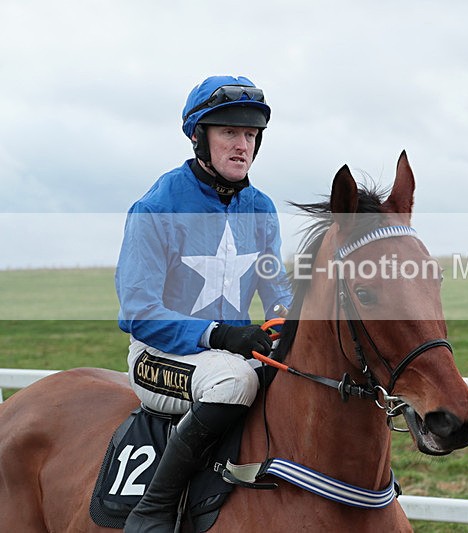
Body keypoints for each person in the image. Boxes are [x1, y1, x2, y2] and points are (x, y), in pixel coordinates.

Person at [115, 75, 292, 532]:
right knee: (235, 383)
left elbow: (278, 295)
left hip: (232, 351)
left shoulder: (262, 208)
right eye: (229, 132)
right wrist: (216, 335)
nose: (242, 146)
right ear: (200, 137)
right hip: (158, 355)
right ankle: (154, 508)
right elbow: (137, 312)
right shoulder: (155, 207)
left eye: (251, 135)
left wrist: (290, 329)